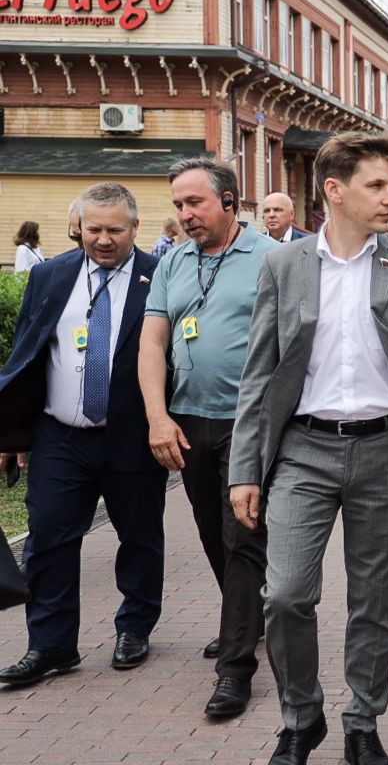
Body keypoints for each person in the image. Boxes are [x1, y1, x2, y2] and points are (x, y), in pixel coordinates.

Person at [227, 131, 388, 765]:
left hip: (386, 451)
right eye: (378, 185)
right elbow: (259, 374)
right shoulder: (284, 265)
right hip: (303, 452)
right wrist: (244, 470)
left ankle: (363, 721)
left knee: (375, 600)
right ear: (335, 190)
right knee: (285, 593)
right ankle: (301, 718)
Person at [0, 182, 166, 686]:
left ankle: (134, 627)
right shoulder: (50, 276)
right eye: (93, 229)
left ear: (135, 228)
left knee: (138, 535)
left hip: (132, 434)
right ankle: (50, 646)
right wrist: (11, 433)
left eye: (115, 229)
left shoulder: (157, 277)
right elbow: (26, 354)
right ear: (78, 226)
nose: (103, 239)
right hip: (60, 436)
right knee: (47, 538)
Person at [138, 157, 279, 718]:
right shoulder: (173, 262)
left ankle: (235, 669)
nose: (184, 215)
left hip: (251, 423)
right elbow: (152, 345)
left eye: (194, 203)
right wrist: (157, 416)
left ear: (229, 203)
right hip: (188, 421)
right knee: (211, 534)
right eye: (177, 204)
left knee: (242, 537)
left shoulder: (273, 258)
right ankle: (246, 618)